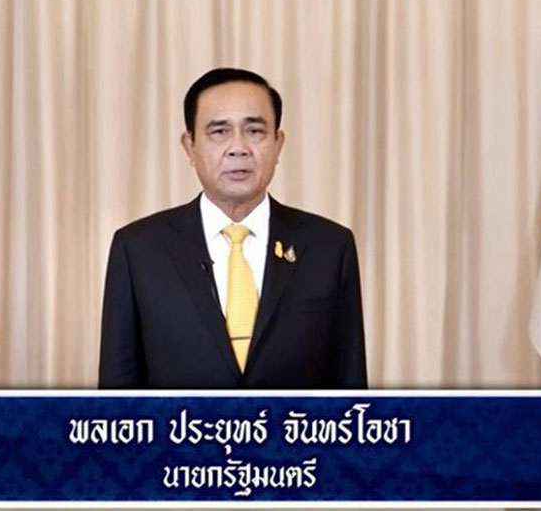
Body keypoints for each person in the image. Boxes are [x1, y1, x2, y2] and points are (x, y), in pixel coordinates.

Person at [98, 68, 367, 388]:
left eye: (255, 131)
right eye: (219, 132)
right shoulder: (138, 249)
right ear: (190, 146)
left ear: (278, 144)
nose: (238, 148)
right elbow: (118, 393)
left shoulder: (329, 247)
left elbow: (349, 389)